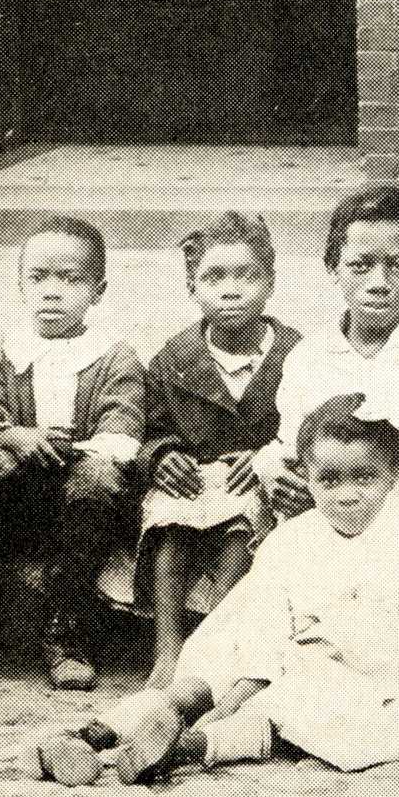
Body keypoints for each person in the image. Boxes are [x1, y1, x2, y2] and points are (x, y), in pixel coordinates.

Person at [38, 395, 399, 783]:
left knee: (295, 710)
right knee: (210, 674)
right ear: (305, 477)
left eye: (364, 478)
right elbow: (264, 622)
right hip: (277, 654)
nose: (347, 496)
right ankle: (92, 738)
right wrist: (243, 689)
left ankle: (181, 746)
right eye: (329, 481)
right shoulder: (293, 538)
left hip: (369, 669)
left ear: (395, 474)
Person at [0, 216, 146, 691]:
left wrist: (39, 446)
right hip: (18, 489)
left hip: (79, 484)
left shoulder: (114, 356)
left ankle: (67, 630)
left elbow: (120, 438)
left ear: (97, 290)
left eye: (71, 279)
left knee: (98, 479)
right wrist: (8, 437)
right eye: (39, 278)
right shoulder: (3, 351)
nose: (53, 291)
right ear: (21, 285)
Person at [125, 213, 302, 687]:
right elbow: (152, 423)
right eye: (213, 277)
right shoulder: (174, 357)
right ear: (192, 286)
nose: (230, 290)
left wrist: (269, 456)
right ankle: (167, 648)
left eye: (247, 276)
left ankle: (215, 642)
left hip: (252, 477)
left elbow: (306, 424)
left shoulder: (296, 354)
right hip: (193, 479)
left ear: (269, 282)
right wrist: (162, 457)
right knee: (168, 520)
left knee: (241, 524)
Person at [258, 187, 399, 554]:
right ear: (333, 268)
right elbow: (292, 445)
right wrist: (274, 469)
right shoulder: (309, 354)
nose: (378, 283)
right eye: (360, 265)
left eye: (396, 265)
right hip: (333, 495)